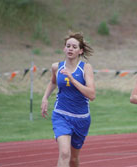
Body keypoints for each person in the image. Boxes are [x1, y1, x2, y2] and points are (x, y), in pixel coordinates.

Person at [41, 32, 95, 167]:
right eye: (68, 46)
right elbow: (53, 82)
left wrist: (72, 79)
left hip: (81, 118)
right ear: (64, 49)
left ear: (80, 51)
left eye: (74, 47)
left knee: (73, 159)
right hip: (61, 115)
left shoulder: (85, 68)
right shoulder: (56, 67)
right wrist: (45, 97)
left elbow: (92, 95)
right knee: (64, 153)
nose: (70, 49)